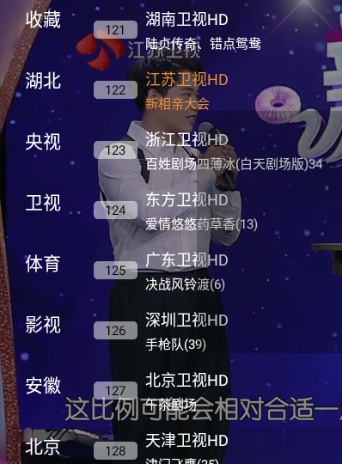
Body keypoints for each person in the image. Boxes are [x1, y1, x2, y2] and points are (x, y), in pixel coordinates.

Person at [98, 52, 241, 463]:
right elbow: (150, 212)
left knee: (207, 417)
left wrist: (226, 185)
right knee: (149, 420)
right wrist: (207, 172)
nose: (196, 105)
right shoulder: (120, 155)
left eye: (198, 95)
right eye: (186, 94)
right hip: (146, 297)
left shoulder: (196, 159)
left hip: (199, 293)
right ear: (154, 97)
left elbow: (228, 233)